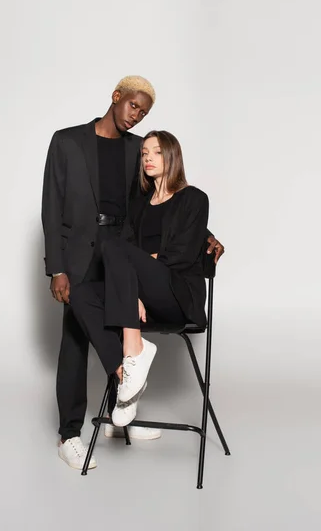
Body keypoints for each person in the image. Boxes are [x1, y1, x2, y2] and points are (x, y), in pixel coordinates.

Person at [41, 76, 225, 470]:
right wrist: (56, 267)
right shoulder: (67, 141)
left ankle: (122, 412)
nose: (136, 116)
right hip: (78, 252)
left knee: (114, 323)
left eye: (144, 113)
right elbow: (51, 206)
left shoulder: (136, 151)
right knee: (75, 337)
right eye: (133, 107)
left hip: (123, 248)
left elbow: (160, 203)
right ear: (117, 97)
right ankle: (69, 434)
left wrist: (205, 237)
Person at [70, 130, 210, 430]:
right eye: (144, 152)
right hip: (140, 301)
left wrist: (134, 276)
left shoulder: (194, 199)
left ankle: (135, 349)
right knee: (81, 294)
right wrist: (131, 291)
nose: (148, 157)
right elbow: (128, 259)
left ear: (172, 156)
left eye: (156, 152)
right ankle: (125, 376)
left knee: (115, 246)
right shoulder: (139, 205)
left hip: (177, 299)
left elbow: (181, 256)